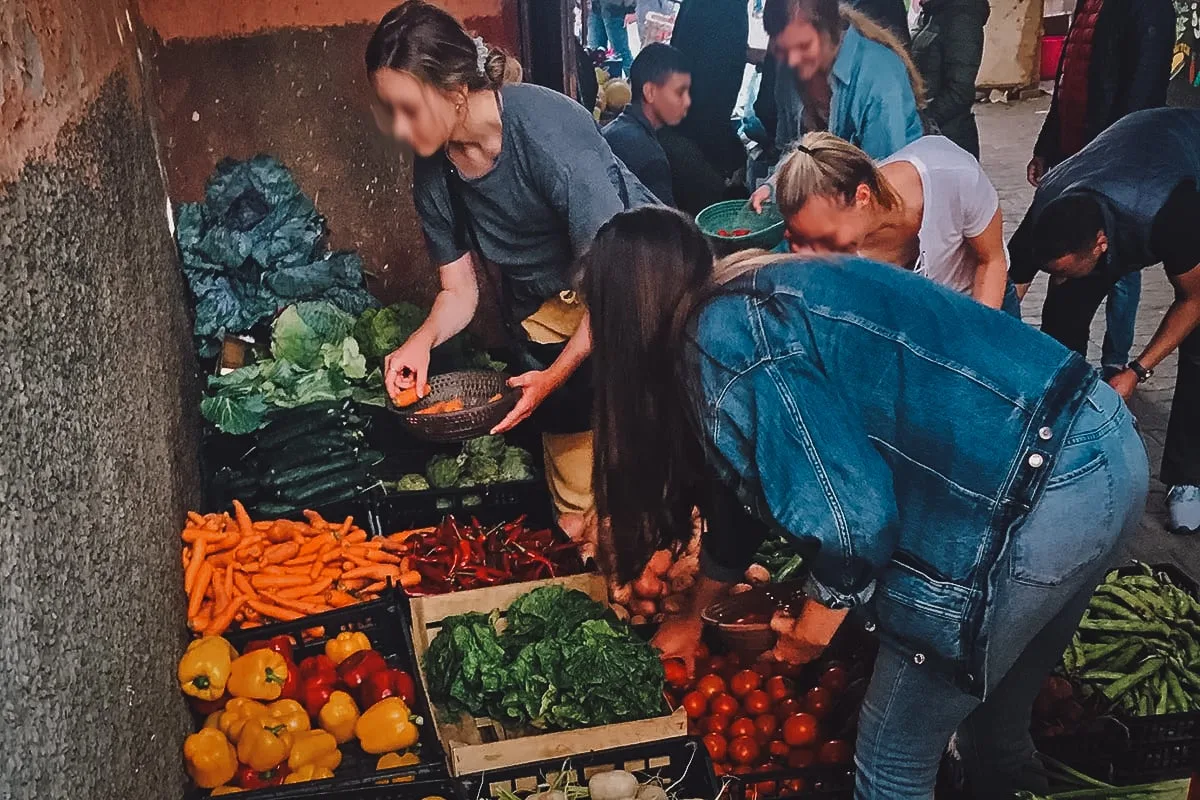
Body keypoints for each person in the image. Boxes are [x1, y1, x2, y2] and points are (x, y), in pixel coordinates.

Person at [584, 206, 1147, 800]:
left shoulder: (723, 341)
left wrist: (811, 627)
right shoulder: (745, 289)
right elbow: (741, 495)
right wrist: (693, 615)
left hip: (1040, 494)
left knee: (892, 757)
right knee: (991, 725)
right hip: (1101, 443)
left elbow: (852, 519)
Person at [365, 0, 656, 543]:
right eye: (389, 111)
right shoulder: (435, 170)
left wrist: (554, 378)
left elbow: (615, 288)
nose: (397, 128)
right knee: (577, 518)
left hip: (635, 296)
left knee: (643, 490)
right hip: (547, 320)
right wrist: (420, 342)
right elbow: (459, 289)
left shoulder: (547, 133)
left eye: (408, 109)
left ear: (455, 93)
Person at [1009, 108, 1200, 536]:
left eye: (1062, 271)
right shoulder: (1050, 203)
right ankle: (1059, 451)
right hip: (1120, 164)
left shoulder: (1172, 212)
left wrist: (1136, 371)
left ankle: (1188, 477)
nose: (1053, 279)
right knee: (1060, 329)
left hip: (1182, 168)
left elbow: (1194, 298)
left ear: (1100, 245)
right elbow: (1007, 291)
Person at [1026, 0, 1176, 373]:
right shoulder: (1088, 4)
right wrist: (1047, 145)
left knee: (1120, 263)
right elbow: (1066, 78)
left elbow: (1143, 91)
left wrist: (1112, 161)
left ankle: (1115, 364)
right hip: (1073, 155)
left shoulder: (1148, 9)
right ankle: (1062, 360)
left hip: (1112, 166)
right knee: (1071, 262)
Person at [774, 132, 1007, 307]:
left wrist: (977, 350)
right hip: (923, 315)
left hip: (982, 295)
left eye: (823, 235)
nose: (812, 253)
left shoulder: (954, 176)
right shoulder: (843, 249)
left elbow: (991, 260)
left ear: (862, 196)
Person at [749, 0, 926, 210]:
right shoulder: (789, 72)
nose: (794, 59)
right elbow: (795, 151)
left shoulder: (879, 76)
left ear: (830, 34)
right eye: (785, 49)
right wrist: (773, 186)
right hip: (830, 201)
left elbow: (880, 183)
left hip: (886, 200)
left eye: (804, 46)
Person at [603, 43, 692, 206]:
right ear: (650, 92)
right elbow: (664, 227)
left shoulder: (612, 130)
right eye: (679, 92)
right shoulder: (650, 157)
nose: (687, 102)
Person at [910, 0, 990, 158]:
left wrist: (922, 122)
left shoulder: (963, 16)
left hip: (950, 139)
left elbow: (960, 91)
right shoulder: (931, 13)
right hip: (933, 136)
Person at [588, 0, 635, 78]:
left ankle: (637, 85)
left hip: (614, 9)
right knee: (595, 54)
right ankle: (597, 86)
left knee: (621, 53)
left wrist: (631, 8)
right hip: (595, 7)